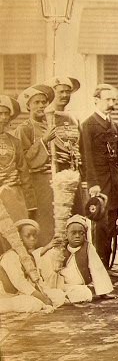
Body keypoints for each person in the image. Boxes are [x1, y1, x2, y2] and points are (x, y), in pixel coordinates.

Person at [79, 84, 118, 268]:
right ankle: (99, 268)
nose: (111, 103)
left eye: (114, 100)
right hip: (99, 182)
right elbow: (87, 156)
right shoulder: (88, 125)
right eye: (108, 99)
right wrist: (93, 183)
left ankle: (107, 266)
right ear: (96, 100)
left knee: (112, 225)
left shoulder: (113, 125)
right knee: (101, 226)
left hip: (113, 182)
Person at [15, 84, 57, 245]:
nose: (41, 106)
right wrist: (43, 141)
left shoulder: (50, 126)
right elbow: (24, 160)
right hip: (37, 182)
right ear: (28, 106)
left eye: (44, 102)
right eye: (36, 102)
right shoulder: (24, 129)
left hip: (54, 181)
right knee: (44, 222)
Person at [39, 215, 114, 303]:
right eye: (73, 233)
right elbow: (41, 259)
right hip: (63, 285)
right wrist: (49, 246)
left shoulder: (88, 248)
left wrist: (103, 292)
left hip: (79, 287)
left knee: (84, 293)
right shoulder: (61, 248)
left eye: (81, 233)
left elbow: (97, 269)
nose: (77, 236)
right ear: (66, 234)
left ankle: (64, 298)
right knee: (54, 290)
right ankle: (62, 297)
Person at [0, 219, 63, 313]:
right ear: (19, 238)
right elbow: (20, 283)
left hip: (25, 295)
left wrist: (45, 293)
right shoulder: (10, 257)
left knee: (59, 296)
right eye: (28, 236)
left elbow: (38, 280)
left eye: (34, 236)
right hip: (9, 297)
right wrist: (42, 298)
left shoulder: (30, 256)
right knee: (33, 304)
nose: (32, 239)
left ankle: (41, 304)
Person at [0, 95, 29, 224]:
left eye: (6, 114)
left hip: (13, 191)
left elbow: (23, 170)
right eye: (0, 113)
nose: (3, 118)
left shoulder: (15, 141)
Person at [45, 76, 82, 174]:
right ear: (52, 94)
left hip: (74, 169)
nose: (65, 95)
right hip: (53, 170)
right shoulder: (46, 118)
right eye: (61, 92)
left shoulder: (74, 118)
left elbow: (80, 147)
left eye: (68, 91)